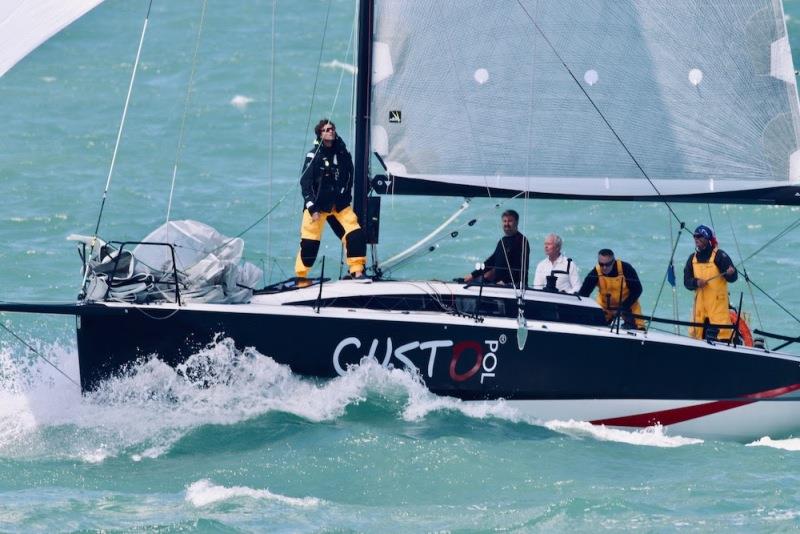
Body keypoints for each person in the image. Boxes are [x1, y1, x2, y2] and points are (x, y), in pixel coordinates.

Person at [295, 119, 366, 281]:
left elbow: (350, 175)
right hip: (318, 206)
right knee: (309, 245)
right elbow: (305, 183)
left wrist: (346, 196)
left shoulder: (342, 154)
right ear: (320, 134)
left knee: (355, 234)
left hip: (338, 205)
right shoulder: (313, 155)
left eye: (332, 129)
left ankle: (357, 271)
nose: (330, 131)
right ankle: (301, 276)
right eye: (326, 130)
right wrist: (312, 208)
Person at [683, 224, 738, 341]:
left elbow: (733, 278)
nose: (696, 239)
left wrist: (731, 273)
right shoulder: (692, 259)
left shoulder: (720, 255)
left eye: (700, 236)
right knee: (698, 337)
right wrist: (696, 282)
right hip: (700, 313)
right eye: (695, 237)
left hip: (717, 312)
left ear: (708, 239)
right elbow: (686, 282)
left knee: (720, 338)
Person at [579, 248, 644, 329]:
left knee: (640, 329)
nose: (604, 268)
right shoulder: (595, 272)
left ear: (613, 261)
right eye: (601, 264)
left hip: (628, 305)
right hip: (605, 307)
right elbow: (583, 294)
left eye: (607, 264)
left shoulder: (626, 268)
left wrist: (623, 307)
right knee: (595, 327)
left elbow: (637, 290)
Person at [464, 210, 529, 287]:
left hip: (513, 286)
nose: (506, 224)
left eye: (510, 221)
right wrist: (473, 275)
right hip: (497, 284)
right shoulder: (502, 241)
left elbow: (519, 267)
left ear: (517, 222)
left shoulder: (521, 241)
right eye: (504, 221)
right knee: (469, 283)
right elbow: (491, 262)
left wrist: (505, 281)